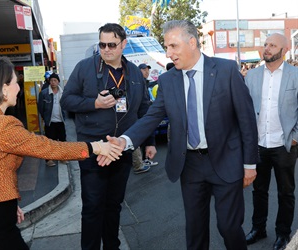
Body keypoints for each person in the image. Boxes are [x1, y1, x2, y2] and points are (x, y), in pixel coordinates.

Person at [102, 20, 259, 250]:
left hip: (227, 161)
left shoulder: (226, 71)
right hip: (191, 165)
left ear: (192, 42)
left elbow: (246, 120)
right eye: (167, 47)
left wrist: (249, 163)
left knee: (228, 227)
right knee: (195, 232)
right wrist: (124, 141)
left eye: (173, 46)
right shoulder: (168, 80)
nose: (169, 53)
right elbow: (151, 117)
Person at [0, 57, 123, 250]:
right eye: (15, 82)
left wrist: (9, 205)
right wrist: (94, 147)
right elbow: (48, 147)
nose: (19, 88)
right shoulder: (2, 126)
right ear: (3, 89)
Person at [60, 23, 156, 249]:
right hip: (93, 150)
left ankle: (112, 245)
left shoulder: (134, 71)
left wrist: (149, 142)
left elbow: (144, 108)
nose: (106, 49)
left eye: (111, 45)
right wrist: (94, 103)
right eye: (102, 44)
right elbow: (67, 101)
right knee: (93, 206)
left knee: (114, 205)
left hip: (122, 150)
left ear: (123, 44)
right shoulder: (84, 68)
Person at [244, 33, 298, 250]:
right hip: (258, 145)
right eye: (265, 44)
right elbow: (245, 110)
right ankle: (258, 228)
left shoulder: (295, 75)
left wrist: (295, 137)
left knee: (286, 192)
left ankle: (283, 234)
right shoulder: (252, 76)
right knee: (259, 190)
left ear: (283, 50)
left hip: (285, 145)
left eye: (272, 45)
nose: (266, 48)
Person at [37, 73, 67, 167]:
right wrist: (45, 117)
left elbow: (66, 106)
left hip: (60, 121)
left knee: (62, 141)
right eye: (51, 80)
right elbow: (41, 107)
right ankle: (49, 159)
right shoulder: (44, 93)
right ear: (49, 82)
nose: (53, 82)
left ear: (58, 82)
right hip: (50, 122)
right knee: (49, 142)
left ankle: (62, 158)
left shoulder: (63, 93)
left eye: (55, 80)